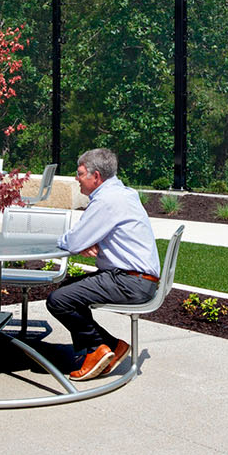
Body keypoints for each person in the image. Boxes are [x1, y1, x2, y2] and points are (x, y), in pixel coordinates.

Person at [47, 148, 161, 380]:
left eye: (80, 174)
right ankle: (104, 347)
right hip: (136, 278)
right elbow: (83, 240)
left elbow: (74, 240)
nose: (76, 179)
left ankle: (99, 348)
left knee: (58, 301)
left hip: (130, 281)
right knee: (66, 290)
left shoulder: (107, 200)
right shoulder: (122, 194)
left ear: (96, 176)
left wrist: (74, 242)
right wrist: (89, 241)